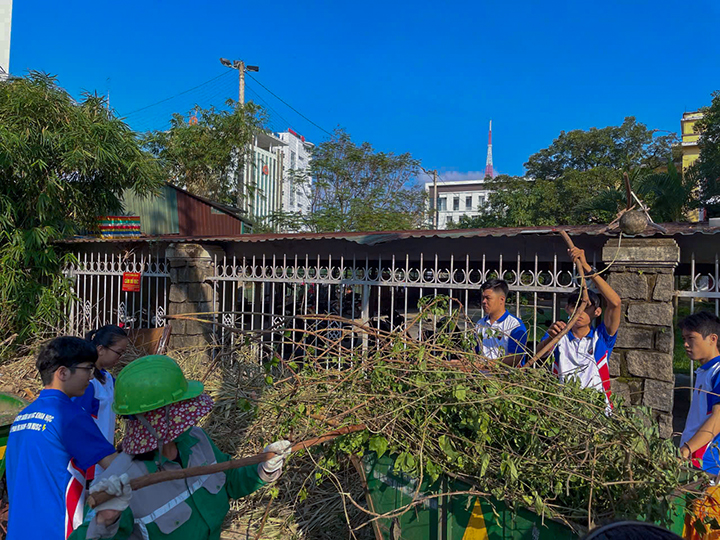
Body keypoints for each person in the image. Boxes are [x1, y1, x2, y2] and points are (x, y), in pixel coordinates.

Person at [70, 355, 291, 540]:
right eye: (181, 410)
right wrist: (104, 522)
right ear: (157, 421)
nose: (189, 419)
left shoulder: (197, 440)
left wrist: (262, 469)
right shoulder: (120, 481)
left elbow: (229, 481)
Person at [5, 337, 118, 540]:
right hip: (57, 531)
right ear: (63, 372)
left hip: (19, 532)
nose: (90, 377)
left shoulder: (22, 417)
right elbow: (116, 467)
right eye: (87, 369)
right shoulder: (69, 415)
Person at [536, 247, 621, 408]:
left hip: (597, 409)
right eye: (575, 305)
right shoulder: (559, 334)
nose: (579, 311)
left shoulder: (602, 337)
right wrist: (551, 338)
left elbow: (615, 303)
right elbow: (539, 356)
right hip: (564, 409)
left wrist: (587, 267)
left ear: (597, 312)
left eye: (586, 306)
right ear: (568, 309)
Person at [678, 312, 720, 473]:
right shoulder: (705, 372)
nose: (686, 344)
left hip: (709, 464)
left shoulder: (718, 372)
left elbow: (718, 417)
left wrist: (687, 449)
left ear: (712, 339)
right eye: (684, 339)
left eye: (691, 338)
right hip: (696, 461)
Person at [74, 325, 129, 444]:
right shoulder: (87, 383)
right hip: (89, 456)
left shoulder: (107, 378)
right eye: (119, 352)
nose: (120, 358)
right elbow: (78, 424)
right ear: (100, 349)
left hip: (103, 454)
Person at [476, 279, 528, 366]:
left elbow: (515, 358)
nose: (483, 302)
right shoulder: (480, 324)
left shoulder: (515, 325)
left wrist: (488, 365)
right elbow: (476, 353)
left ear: (502, 299)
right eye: (483, 298)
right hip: (481, 377)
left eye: (488, 298)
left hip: (505, 378)